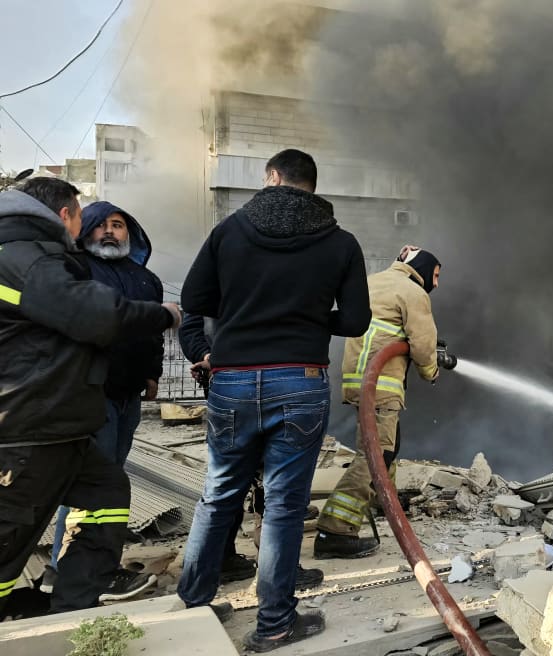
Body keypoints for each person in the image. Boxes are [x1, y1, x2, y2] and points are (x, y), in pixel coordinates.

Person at [177, 149, 371, 652]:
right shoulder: (342, 242)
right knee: (284, 507)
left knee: (217, 495)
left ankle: (192, 611)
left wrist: (246, 312)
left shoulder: (229, 231)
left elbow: (195, 300)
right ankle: (275, 625)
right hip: (300, 380)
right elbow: (354, 321)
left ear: (272, 178)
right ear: (313, 185)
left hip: (234, 378)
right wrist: (305, 316)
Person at [0, 178, 180, 615]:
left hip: (61, 420)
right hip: (32, 425)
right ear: (66, 216)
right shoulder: (25, 258)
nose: (98, 229)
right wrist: (164, 315)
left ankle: (73, 600)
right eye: (85, 217)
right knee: (11, 533)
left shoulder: (35, 257)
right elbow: (94, 315)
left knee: (107, 492)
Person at [43, 201, 165, 600]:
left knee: (109, 481)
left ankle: (85, 568)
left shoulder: (145, 279)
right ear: (86, 230)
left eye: (119, 225)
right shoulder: (75, 271)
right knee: (91, 485)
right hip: (89, 392)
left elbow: (150, 334)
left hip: (127, 395)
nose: (111, 232)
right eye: (101, 225)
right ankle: (69, 570)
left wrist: (152, 374)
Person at [315, 245, 451, 559]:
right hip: (382, 384)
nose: (437, 283)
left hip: (358, 381)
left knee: (388, 445)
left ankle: (381, 501)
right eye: (436, 275)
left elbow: (388, 330)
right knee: (376, 454)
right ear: (422, 268)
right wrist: (431, 370)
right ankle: (335, 528)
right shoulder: (413, 292)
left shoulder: (373, 282)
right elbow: (422, 341)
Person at [178, 312, 324, 589]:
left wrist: (207, 357)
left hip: (223, 379)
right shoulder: (267, 273)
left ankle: (216, 565)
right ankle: (276, 572)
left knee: (228, 478)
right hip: (269, 377)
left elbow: (190, 325)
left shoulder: (211, 273)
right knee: (271, 477)